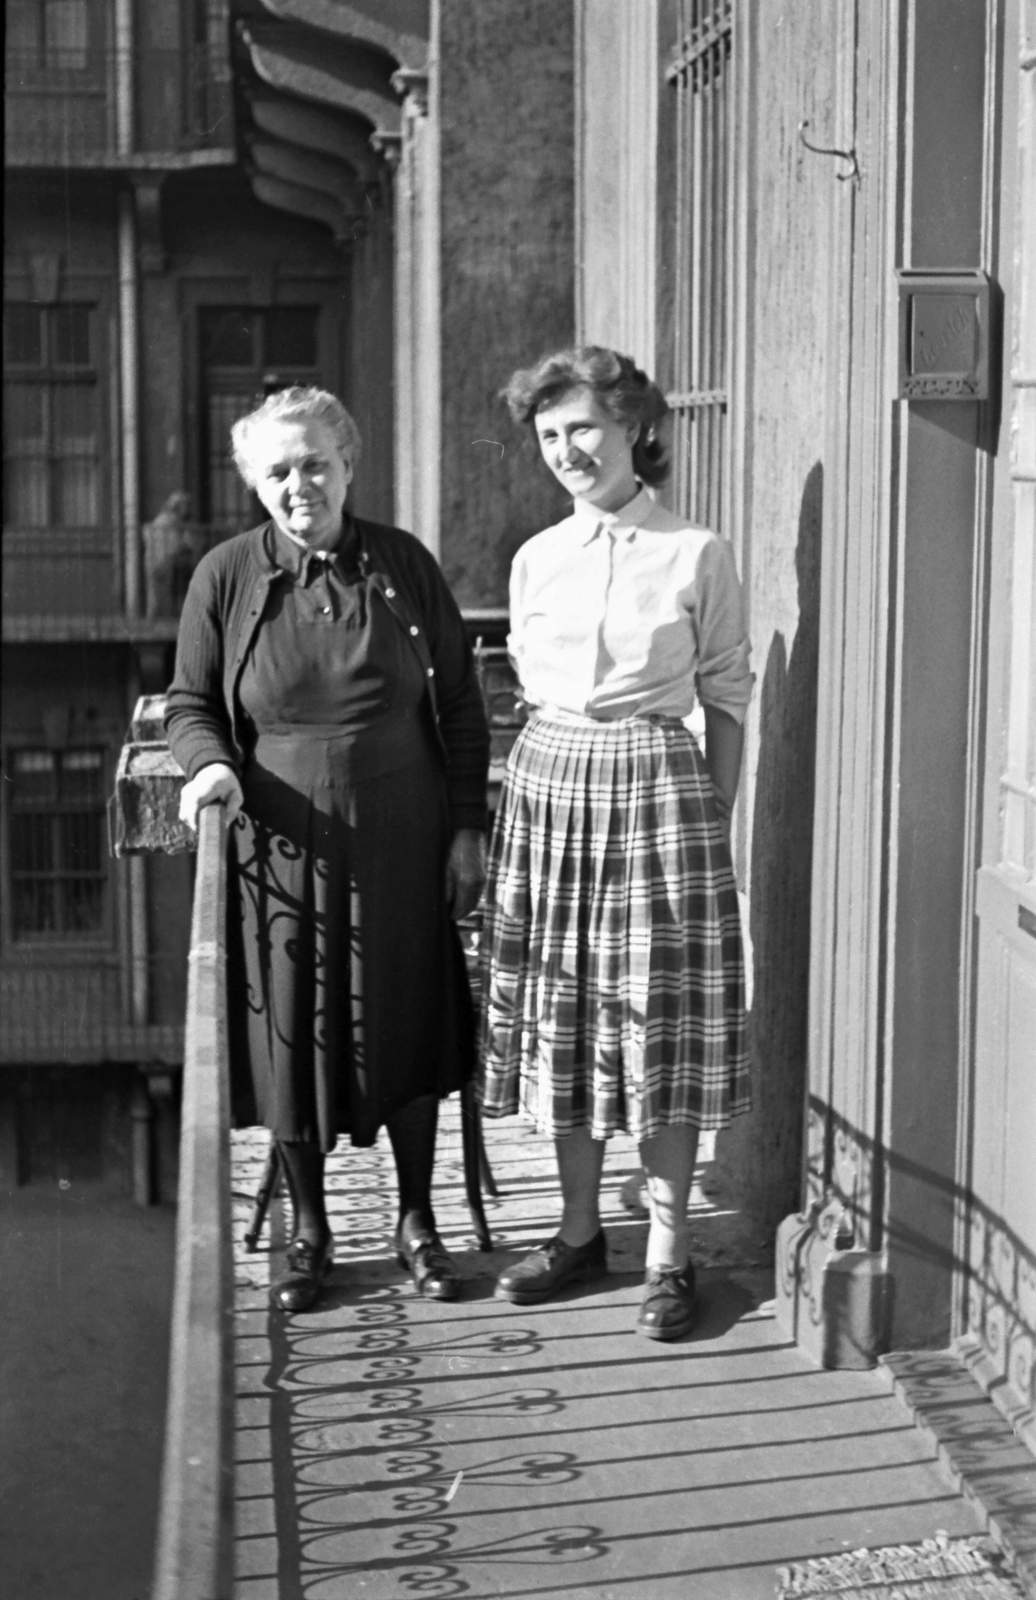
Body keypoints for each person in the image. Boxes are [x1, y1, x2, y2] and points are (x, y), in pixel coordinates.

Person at [166, 386, 489, 1313]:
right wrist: (209, 768)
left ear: (348, 464)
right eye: (277, 471)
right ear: (253, 485)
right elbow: (190, 703)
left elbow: (460, 704)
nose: (298, 484)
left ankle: (417, 1221)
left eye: (315, 463)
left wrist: (466, 828)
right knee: (290, 1031)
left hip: (403, 832)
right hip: (280, 845)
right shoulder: (224, 576)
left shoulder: (403, 564)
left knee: (409, 1018)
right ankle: (312, 1234)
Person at [479, 347, 752, 1340]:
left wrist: (706, 819)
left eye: (583, 428)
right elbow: (525, 684)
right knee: (565, 1015)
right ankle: (580, 1231)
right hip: (549, 791)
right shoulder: (535, 557)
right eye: (549, 436)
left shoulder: (694, 552)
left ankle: (670, 1256)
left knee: (660, 1025)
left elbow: (725, 696)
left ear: (636, 426)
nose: (566, 451)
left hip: (658, 800)